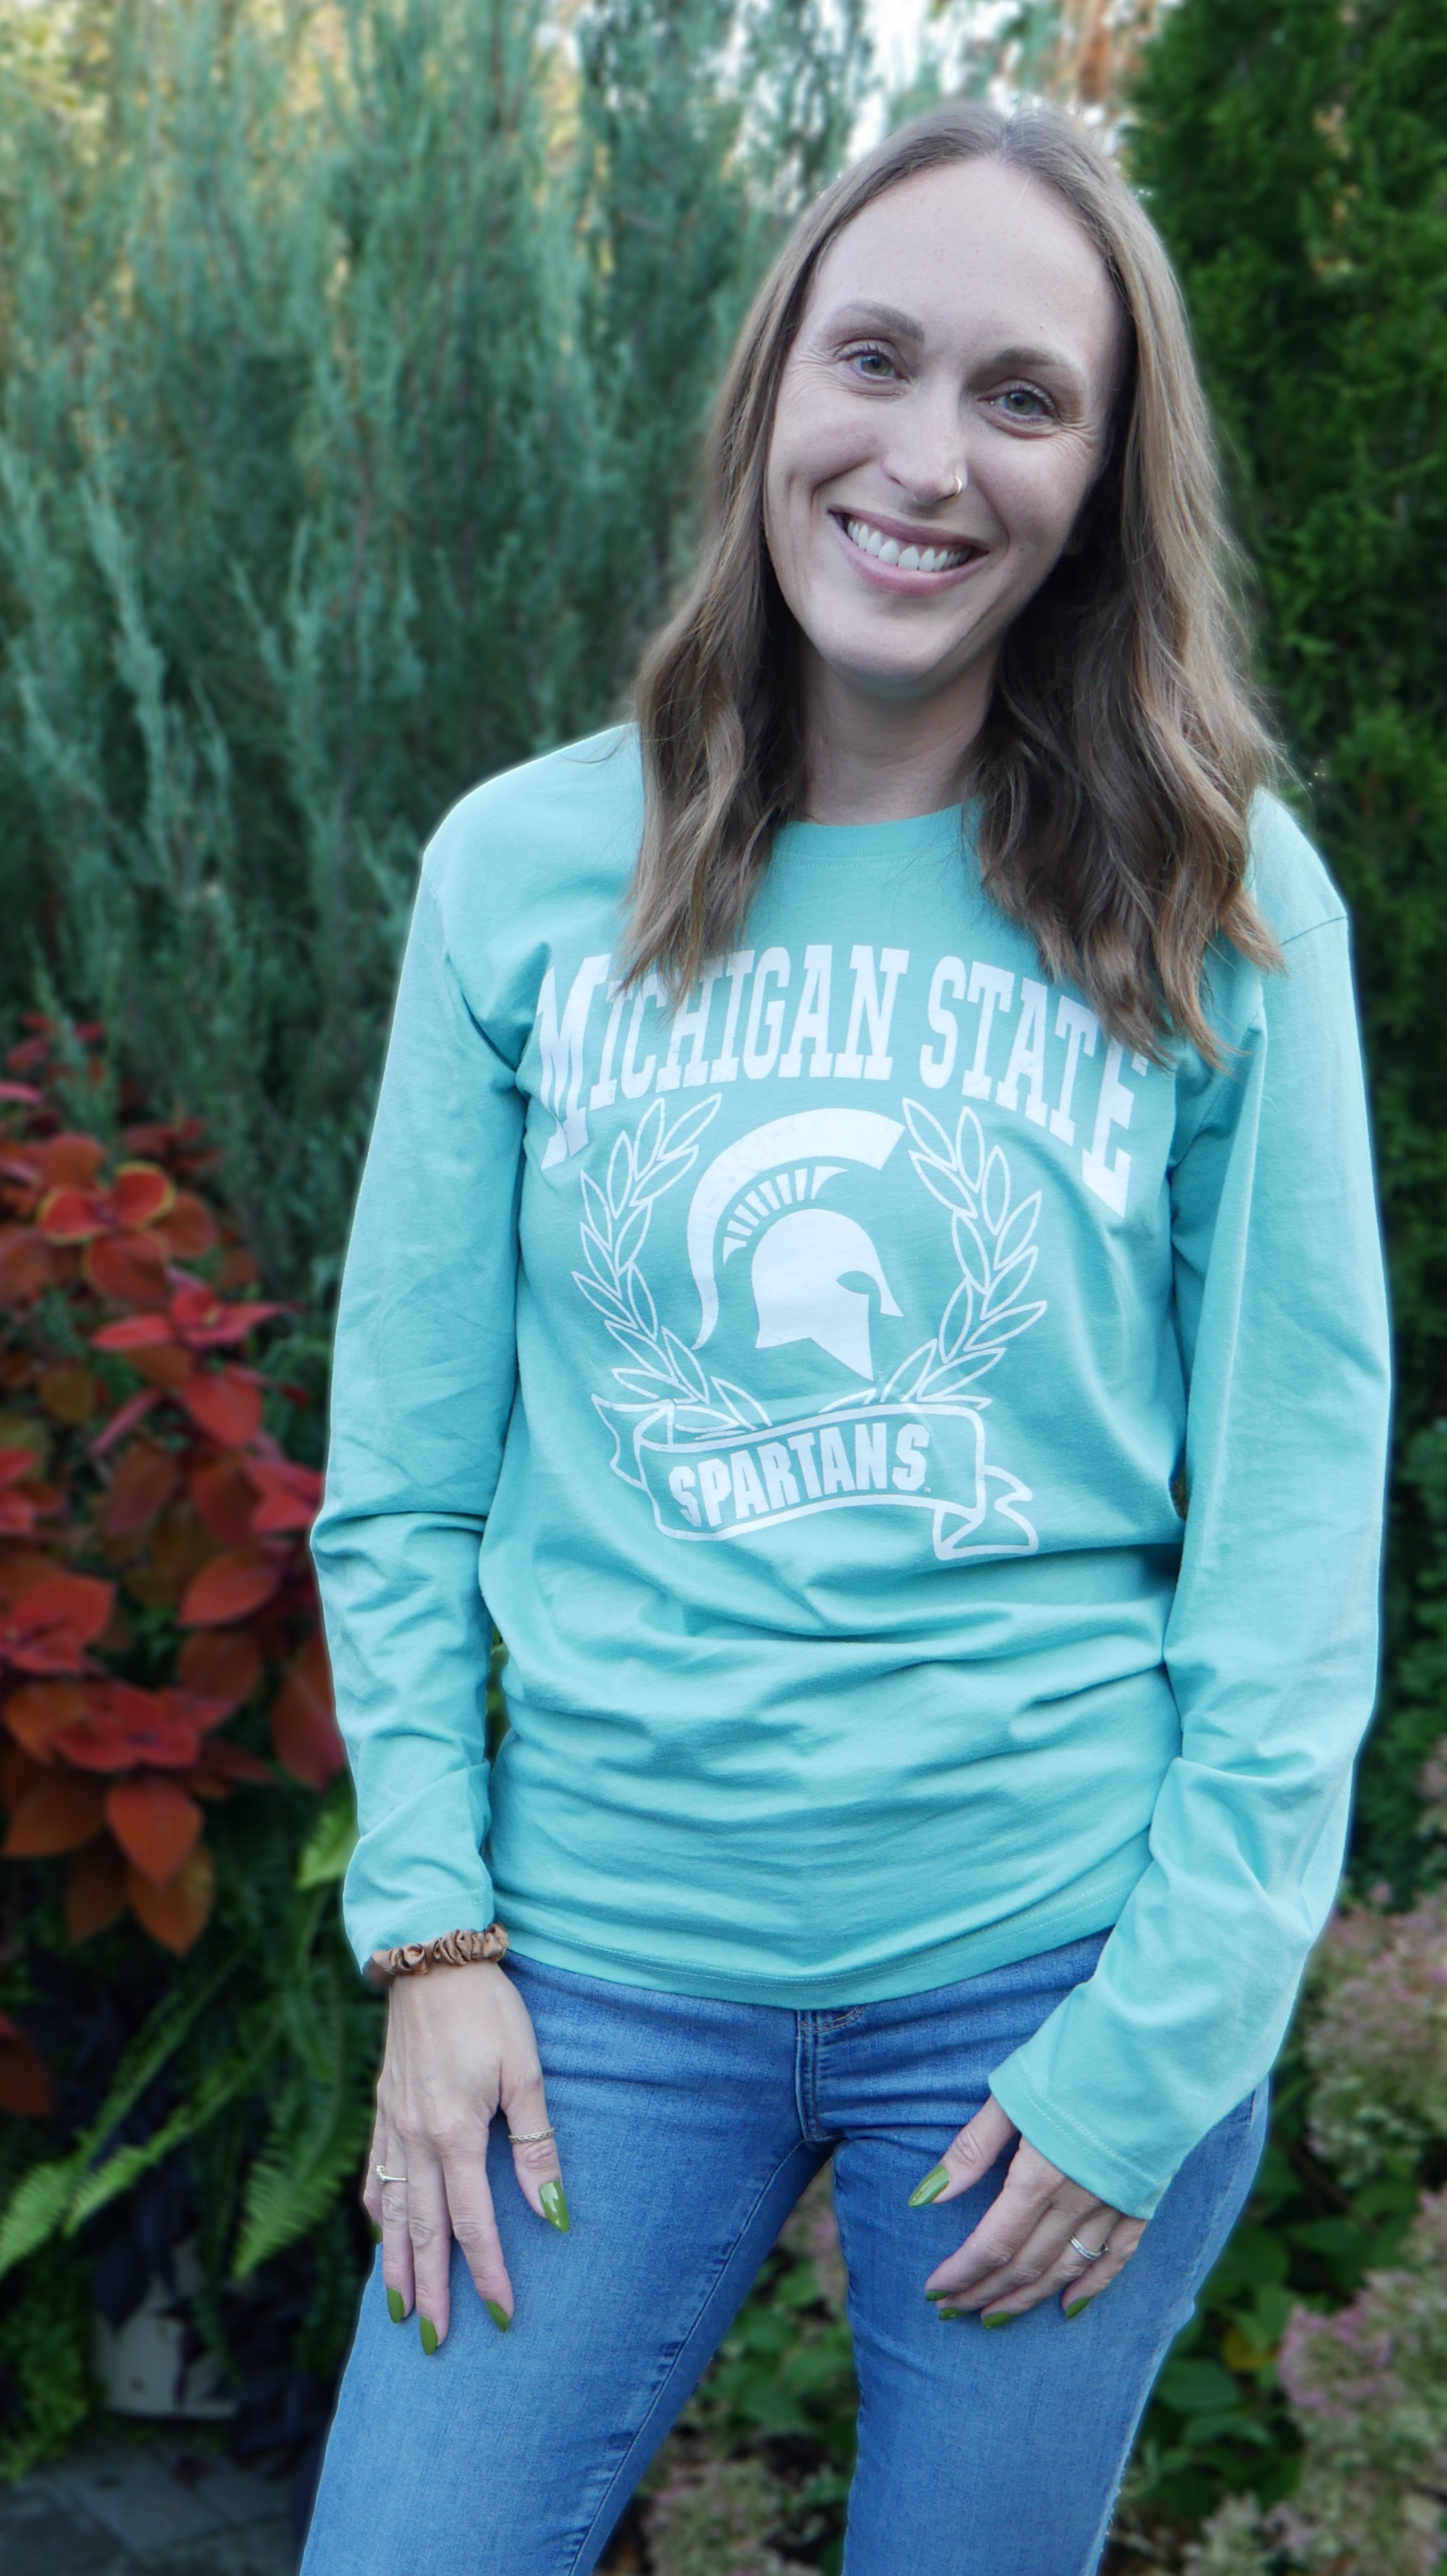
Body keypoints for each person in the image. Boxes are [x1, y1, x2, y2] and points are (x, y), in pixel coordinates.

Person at [300, 98, 1390, 2576]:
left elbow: (1297, 1522)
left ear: (1102, 479)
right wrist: (432, 1938)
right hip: (584, 1996)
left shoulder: (1222, 903)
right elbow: (404, 1480)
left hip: (1039, 1995)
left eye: (1020, 397)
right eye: (871, 358)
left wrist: (1160, 2039)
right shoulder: (520, 873)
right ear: (767, 391)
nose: (924, 457)